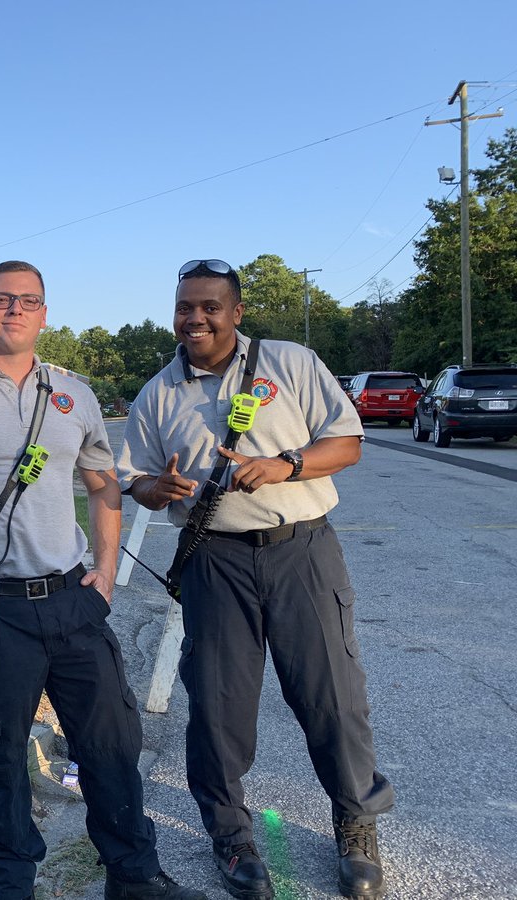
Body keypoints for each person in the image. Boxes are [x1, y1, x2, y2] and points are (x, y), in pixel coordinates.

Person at [0, 260, 204, 900]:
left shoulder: (74, 394)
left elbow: (105, 486)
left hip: (73, 601)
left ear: (45, 314)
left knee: (109, 746)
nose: (14, 310)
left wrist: (105, 572)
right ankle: (12, 882)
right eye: (1, 300)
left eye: (28, 301)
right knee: (2, 759)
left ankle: (133, 874)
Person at [115, 259, 395, 900]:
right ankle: (233, 838)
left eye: (211, 306)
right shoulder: (158, 392)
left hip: (302, 550)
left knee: (333, 696)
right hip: (215, 561)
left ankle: (356, 821)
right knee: (217, 708)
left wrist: (285, 464)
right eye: (186, 307)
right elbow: (135, 477)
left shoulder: (290, 362)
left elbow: (347, 442)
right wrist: (157, 488)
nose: (196, 319)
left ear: (236, 312)